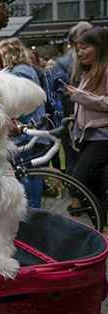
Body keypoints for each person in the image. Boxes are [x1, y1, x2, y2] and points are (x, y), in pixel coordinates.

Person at [66, 27, 108, 233]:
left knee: (78, 183)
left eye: (85, 47)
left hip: (102, 137)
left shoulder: (106, 71)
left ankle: (101, 227)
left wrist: (81, 96)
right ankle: (102, 228)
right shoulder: (87, 72)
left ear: (99, 47)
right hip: (87, 136)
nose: (80, 52)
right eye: (78, 49)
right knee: (95, 185)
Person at [0, 37, 47, 208]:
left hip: (26, 133)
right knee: (33, 178)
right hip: (37, 131)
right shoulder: (29, 68)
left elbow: (20, 106)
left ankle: (31, 221)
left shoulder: (19, 73)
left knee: (27, 180)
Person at [51, 21, 93, 177]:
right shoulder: (98, 64)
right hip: (94, 120)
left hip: (68, 119)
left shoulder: (60, 64)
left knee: (72, 159)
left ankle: (75, 197)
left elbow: (52, 92)